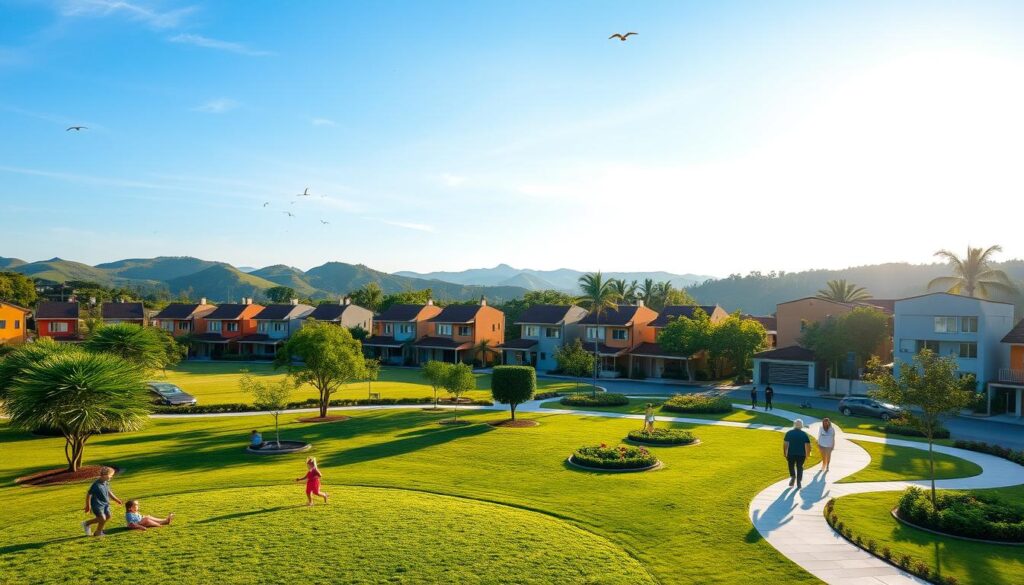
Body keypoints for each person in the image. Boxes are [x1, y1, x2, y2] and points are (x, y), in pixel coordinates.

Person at [82, 467, 122, 537]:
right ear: (105, 475)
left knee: (108, 516)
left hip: (105, 504)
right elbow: (89, 494)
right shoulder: (96, 485)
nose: (111, 477)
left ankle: (88, 524)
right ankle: (98, 532)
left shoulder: (105, 482)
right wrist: (88, 506)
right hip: (97, 505)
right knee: (102, 518)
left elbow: (109, 492)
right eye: (111, 475)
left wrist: (116, 499)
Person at [783, 419, 812, 489]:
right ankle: (799, 482)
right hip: (801, 454)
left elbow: (785, 444)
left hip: (791, 453)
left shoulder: (789, 433)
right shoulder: (804, 434)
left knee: (791, 465)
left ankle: (793, 476)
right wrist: (808, 454)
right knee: (800, 467)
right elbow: (808, 445)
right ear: (801, 426)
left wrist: (785, 453)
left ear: (794, 425)